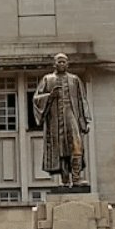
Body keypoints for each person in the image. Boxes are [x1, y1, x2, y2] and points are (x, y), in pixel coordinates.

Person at [32, 52, 91, 187]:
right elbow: (36, 98)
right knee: (61, 149)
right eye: (59, 62)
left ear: (68, 64)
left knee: (76, 146)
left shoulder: (74, 79)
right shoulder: (48, 79)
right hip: (55, 119)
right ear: (55, 64)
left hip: (72, 116)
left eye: (64, 62)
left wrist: (85, 120)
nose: (62, 64)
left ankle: (76, 178)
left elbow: (82, 99)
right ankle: (65, 180)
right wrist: (50, 96)